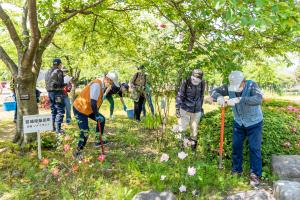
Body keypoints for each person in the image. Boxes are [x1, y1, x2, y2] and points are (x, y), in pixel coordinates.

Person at [209, 70, 263, 187]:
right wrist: (218, 97)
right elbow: (213, 91)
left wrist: (240, 99)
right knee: (236, 146)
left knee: (254, 148)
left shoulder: (252, 85)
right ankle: (236, 170)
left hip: (254, 122)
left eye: (238, 85)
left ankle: (255, 174)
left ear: (244, 81)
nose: (235, 88)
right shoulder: (229, 87)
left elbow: (258, 99)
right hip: (239, 122)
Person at [72, 72, 118, 160]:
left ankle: (98, 140)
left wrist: (97, 114)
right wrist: (96, 115)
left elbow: (96, 102)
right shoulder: (97, 85)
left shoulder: (103, 85)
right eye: (111, 83)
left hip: (88, 108)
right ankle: (78, 152)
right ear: (108, 79)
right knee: (85, 131)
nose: (111, 85)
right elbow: (93, 102)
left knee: (102, 119)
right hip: (80, 108)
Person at [175, 69, 205, 152]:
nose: (196, 80)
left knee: (194, 130)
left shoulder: (202, 83)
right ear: (192, 76)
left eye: (198, 79)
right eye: (195, 78)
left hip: (197, 110)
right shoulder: (186, 82)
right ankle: (181, 150)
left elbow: (201, 96)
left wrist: (201, 108)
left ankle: (192, 151)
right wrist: (177, 107)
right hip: (185, 109)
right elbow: (180, 95)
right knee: (182, 129)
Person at [45, 58, 66, 134]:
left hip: (50, 93)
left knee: (53, 110)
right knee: (60, 110)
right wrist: (66, 83)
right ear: (59, 64)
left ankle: (53, 127)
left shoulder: (47, 71)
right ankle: (58, 129)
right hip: (58, 93)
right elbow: (61, 83)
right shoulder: (59, 71)